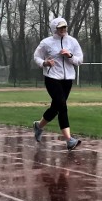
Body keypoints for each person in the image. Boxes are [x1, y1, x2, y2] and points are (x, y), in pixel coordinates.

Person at [32, 17, 83, 150]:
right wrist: (44, 63)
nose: (63, 30)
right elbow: (36, 56)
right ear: (54, 28)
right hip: (52, 77)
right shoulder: (46, 43)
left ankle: (39, 125)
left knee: (56, 107)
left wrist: (70, 56)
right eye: (60, 27)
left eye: (65, 27)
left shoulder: (72, 41)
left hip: (68, 79)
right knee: (62, 105)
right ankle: (69, 140)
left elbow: (79, 60)